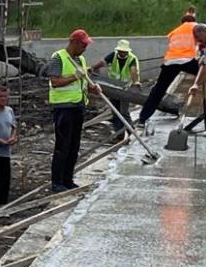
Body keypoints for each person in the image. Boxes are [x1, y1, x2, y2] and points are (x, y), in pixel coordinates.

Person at [47, 28, 99, 193]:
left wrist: (93, 88)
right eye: (83, 45)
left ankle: (68, 180)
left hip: (78, 106)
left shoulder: (81, 60)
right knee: (63, 146)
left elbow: (82, 83)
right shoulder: (59, 58)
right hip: (64, 108)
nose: (85, 48)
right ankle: (57, 182)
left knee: (74, 146)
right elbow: (55, 82)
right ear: (74, 43)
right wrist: (74, 77)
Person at [136, 15, 200, 127]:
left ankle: (142, 118)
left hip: (170, 62)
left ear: (181, 23)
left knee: (158, 91)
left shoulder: (174, 32)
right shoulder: (196, 26)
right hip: (188, 60)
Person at [91, 39, 140, 133]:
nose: (123, 53)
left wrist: (136, 83)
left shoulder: (132, 58)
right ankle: (119, 133)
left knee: (124, 112)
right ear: (118, 50)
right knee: (115, 111)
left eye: (124, 52)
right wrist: (93, 68)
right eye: (121, 51)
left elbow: (133, 71)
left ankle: (131, 132)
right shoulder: (113, 56)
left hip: (126, 88)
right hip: (114, 88)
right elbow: (102, 62)